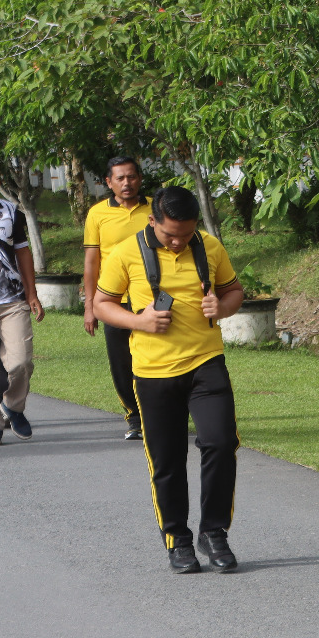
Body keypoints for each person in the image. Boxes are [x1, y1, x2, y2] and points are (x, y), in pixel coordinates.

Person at [92, 186, 245, 573]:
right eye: (170, 234)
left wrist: (221, 306)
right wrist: (139, 321)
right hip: (153, 371)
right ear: (152, 221)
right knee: (167, 459)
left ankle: (215, 532)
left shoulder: (209, 246)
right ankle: (177, 539)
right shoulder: (127, 252)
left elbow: (234, 292)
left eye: (186, 233)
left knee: (221, 442)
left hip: (206, 363)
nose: (178, 242)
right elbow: (101, 304)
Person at [81, 156, 151, 440]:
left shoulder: (155, 208)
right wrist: (90, 305)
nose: (127, 183)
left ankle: (160, 413)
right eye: (120, 178)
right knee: (122, 360)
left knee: (153, 357)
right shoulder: (97, 214)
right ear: (108, 182)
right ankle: (134, 417)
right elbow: (91, 262)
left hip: (150, 297)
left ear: (140, 178)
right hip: (113, 300)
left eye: (132, 177)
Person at [0, 153, 45, 448]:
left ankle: (13, 407)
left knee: (20, 362)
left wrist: (31, 293)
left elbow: (22, 252)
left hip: (12, 300)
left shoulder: (9, 211)